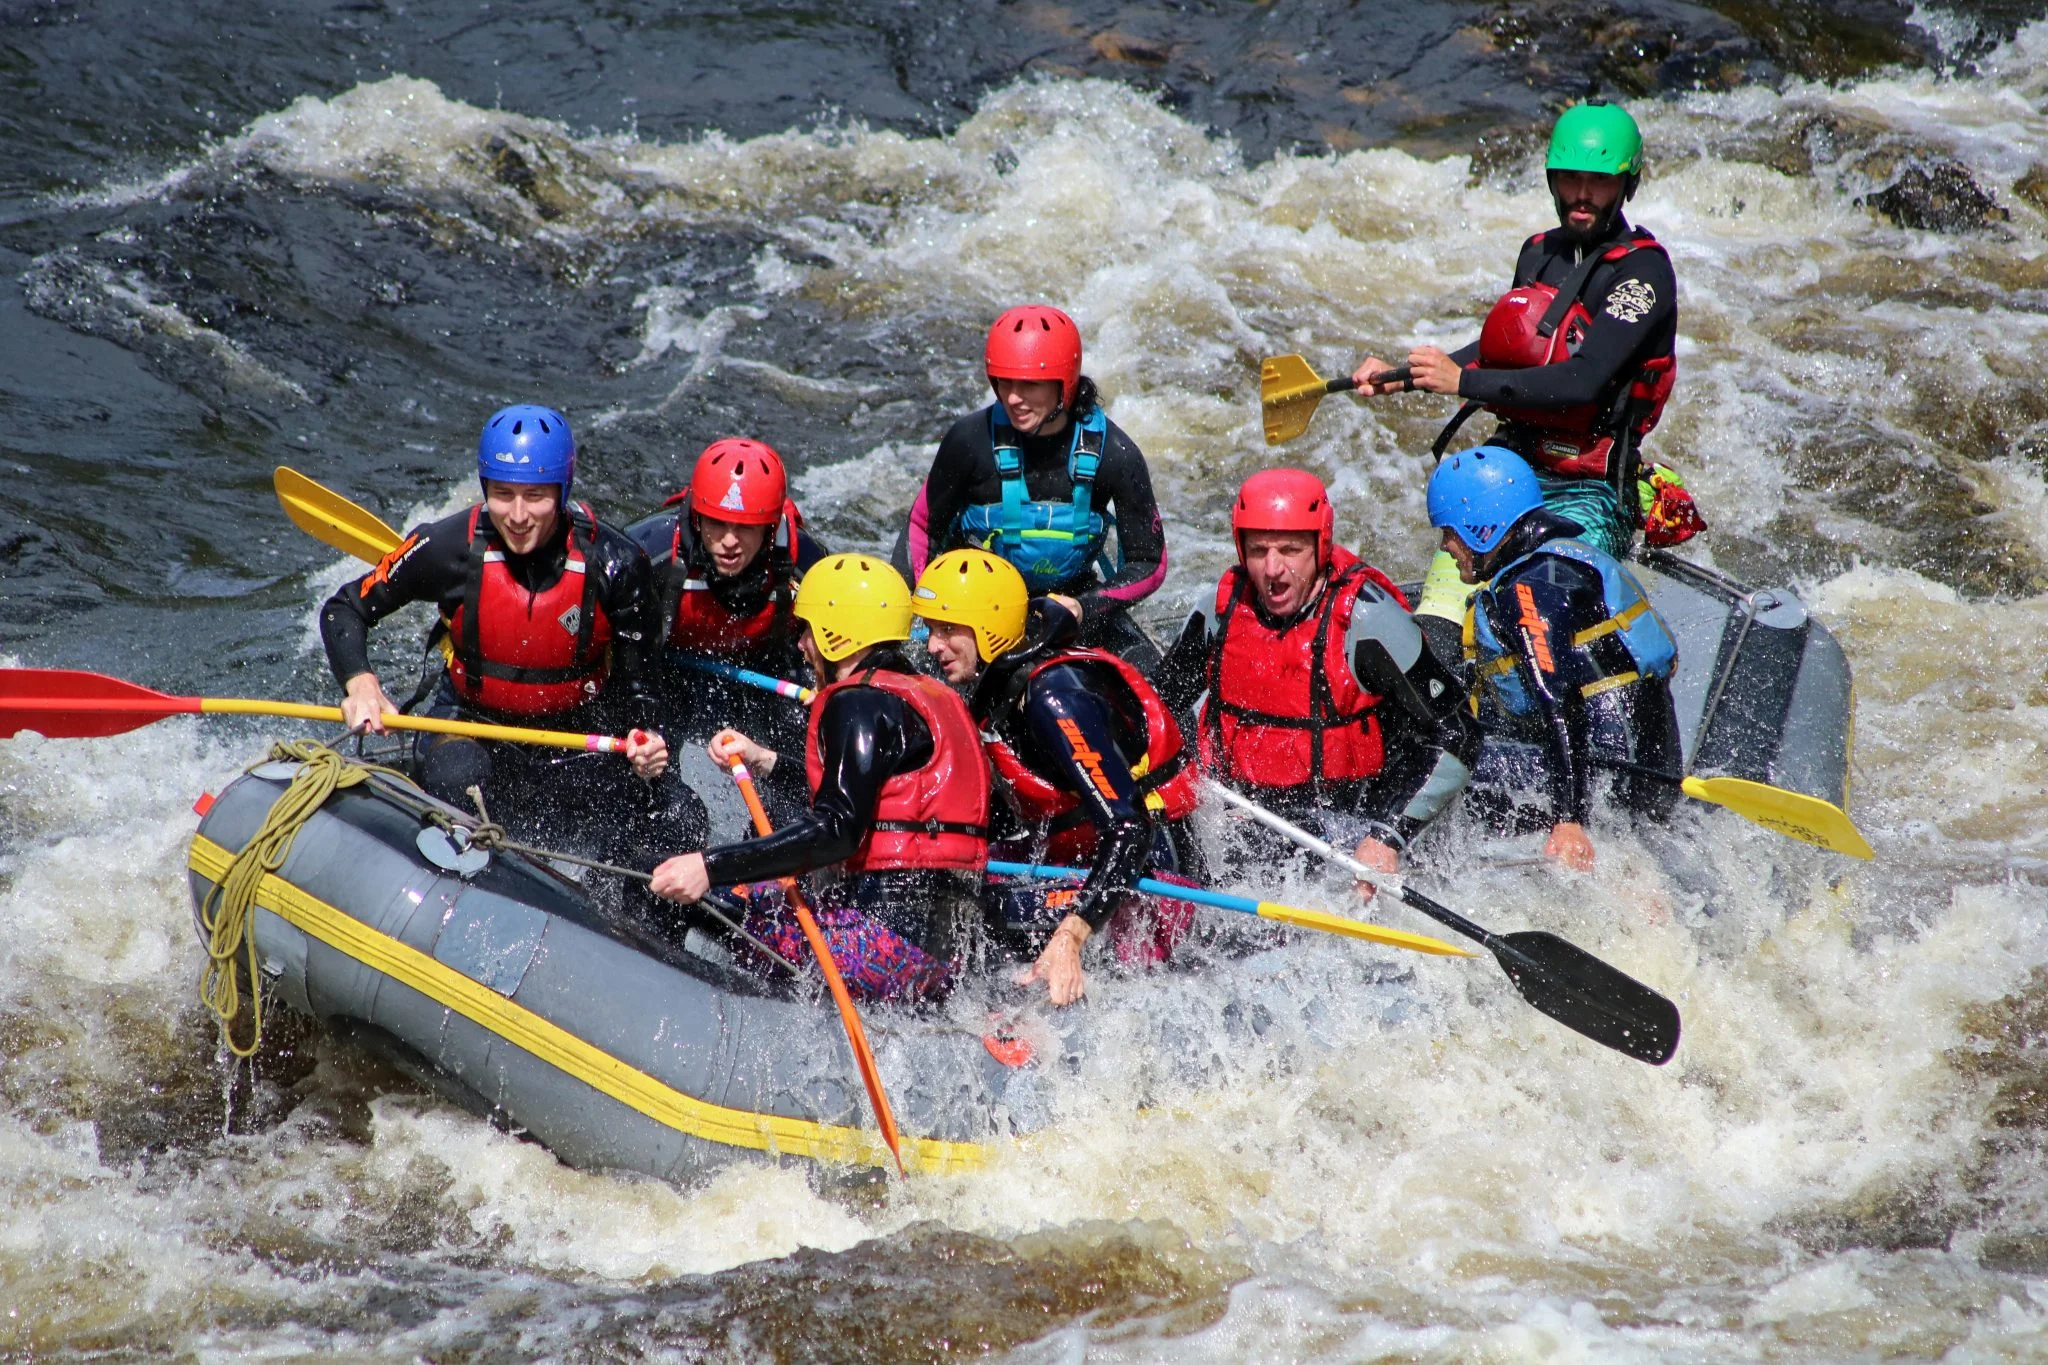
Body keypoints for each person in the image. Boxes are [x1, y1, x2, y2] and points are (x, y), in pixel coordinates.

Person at [1353, 101, 1702, 657]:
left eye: (1597, 181)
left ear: (1626, 184)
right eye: (1569, 179)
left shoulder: (1643, 274)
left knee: (1542, 633)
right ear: (1551, 180)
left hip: (1589, 483)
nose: (1581, 195)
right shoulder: (1539, 254)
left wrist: (1461, 383)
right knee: (1442, 625)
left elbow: (1582, 382)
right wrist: (1412, 374)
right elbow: (1509, 352)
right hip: (1511, 468)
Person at [320, 403, 707, 874]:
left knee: (680, 817)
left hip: (577, 740)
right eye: (502, 495)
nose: (518, 515)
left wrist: (648, 737)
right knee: (459, 778)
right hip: (472, 727)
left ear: (561, 492)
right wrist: (360, 683)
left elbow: (642, 687)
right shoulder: (447, 548)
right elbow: (346, 607)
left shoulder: (617, 564)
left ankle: (619, 914)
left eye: (535, 496)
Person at [648, 555, 990, 1004]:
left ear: (838, 632)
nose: (803, 646)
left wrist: (709, 866)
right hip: (940, 953)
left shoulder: (858, 705)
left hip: (877, 947)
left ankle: (679, 1018)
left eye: (809, 630)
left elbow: (836, 831)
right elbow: (867, 801)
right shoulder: (925, 696)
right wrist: (763, 759)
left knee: (661, 878)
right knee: (761, 887)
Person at [1154, 469, 1478, 887]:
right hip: (1235, 812)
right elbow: (1155, 710)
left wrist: (1388, 836)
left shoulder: (1368, 621)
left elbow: (1459, 734)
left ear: (1320, 545)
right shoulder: (1219, 612)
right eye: (1258, 550)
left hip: (1346, 823)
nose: (1273, 569)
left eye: (1290, 550)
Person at [913, 549, 1203, 1006]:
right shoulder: (1000, 685)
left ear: (989, 627)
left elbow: (1129, 830)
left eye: (948, 629)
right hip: (1077, 857)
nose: (933, 645)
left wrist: (1072, 935)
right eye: (931, 630)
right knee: (944, 878)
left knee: (983, 903)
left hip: (1153, 879)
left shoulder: (1055, 699)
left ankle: (1013, 1008)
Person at [1427, 444, 1683, 869]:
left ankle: (1435, 868)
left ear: (1481, 527)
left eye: (1450, 532)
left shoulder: (1527, 589)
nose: (1447, 547)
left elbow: (1559, 701)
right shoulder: (1567, 559)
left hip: (1610, 770)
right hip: (1647, 763)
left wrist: (1570, 819)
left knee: (1444, 761)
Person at [895, 304, 1168, 666]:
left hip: (1071, 605)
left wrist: (1084, 608)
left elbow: (1149, 562)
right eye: (1004, 382)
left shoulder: (1115, 454)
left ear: (1065, 385)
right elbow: (922, 529)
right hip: (972, 607)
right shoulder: (968, 443)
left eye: (1029, 385)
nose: (1011, 398)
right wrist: (916, 613)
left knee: (1157, 686)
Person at [626, 437, 826, 751]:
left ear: (770, 528)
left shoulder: (805, 564)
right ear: (697, 517)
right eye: (716, 523)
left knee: (809, 731)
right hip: (668, 670)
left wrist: (826, 681)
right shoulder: (650, 552)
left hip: (763, 671)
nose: (729, 541)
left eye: (745, 527)